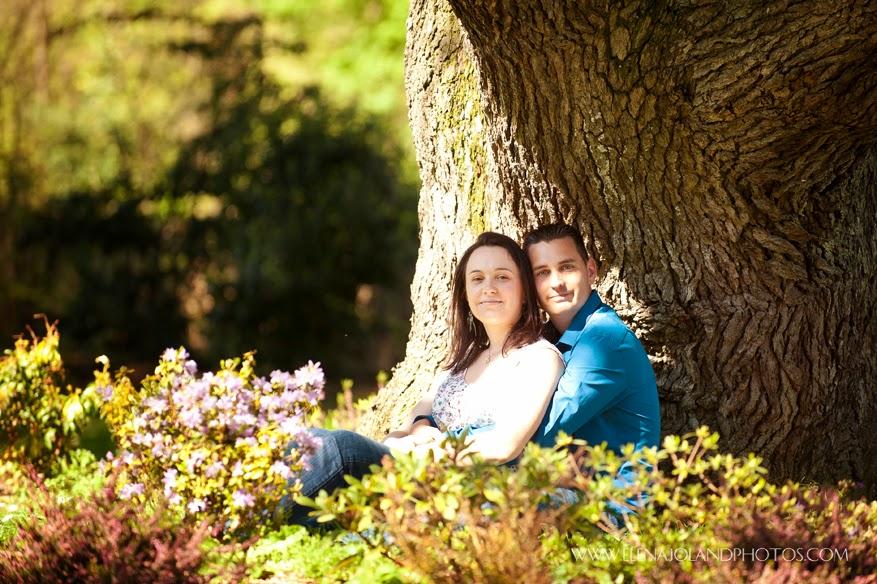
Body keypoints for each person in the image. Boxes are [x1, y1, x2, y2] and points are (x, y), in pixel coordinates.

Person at [283, 232, 563, 524]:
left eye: (502, 277)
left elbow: (506, 445)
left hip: (466, 483)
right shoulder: (463, 358)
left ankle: (255, 522)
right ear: (465, 294)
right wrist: (415, 431)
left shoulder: (538, 358)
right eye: (477, 279)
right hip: (413, 469)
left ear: (524, 291)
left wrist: (425, 452)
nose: (489, 288)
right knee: (311, 440)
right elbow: (403, 429)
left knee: (341, 448)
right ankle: (256, 517)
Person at [523, 223, 661, 519]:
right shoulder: (546, 342)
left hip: (611, 513)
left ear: (591, 270)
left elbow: (538, 435)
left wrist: (453, 443)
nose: (556, 282)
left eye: (567, 267)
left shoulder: (604, 341)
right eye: (542, 273)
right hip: (570, 494)